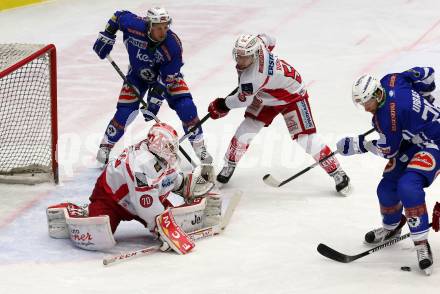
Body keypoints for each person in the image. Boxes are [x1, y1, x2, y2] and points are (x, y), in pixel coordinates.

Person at [207, 34, 350, 195]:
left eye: (245, 57)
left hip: (292, 95)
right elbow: (271, 39)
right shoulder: (259, 44)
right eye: (238, 55)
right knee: (245, 131)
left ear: (254, 54)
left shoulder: (252, 78)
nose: (240, 60)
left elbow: (242, 101)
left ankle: (337, 172)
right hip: (266, 94)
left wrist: (222, 105)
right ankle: (229, 165)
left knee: (306, 139)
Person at [46, 122, 220, 255]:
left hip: (142, 201)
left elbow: (169, 180)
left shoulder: (161, 156)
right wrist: (161, 228)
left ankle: (169, 219)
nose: (173, 150)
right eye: (169, 146)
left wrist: (188, 186)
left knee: (176, 219)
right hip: (112, 199)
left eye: (173, 146)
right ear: (159, 145)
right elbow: (146, 204)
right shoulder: (140, 163)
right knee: (97, 237)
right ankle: (77, 211)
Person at [336, 67, 440, 275]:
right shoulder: (391, 80)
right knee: (386, 189)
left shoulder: (387, 118)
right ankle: (392, 227)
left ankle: (421, 244)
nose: (366, 108)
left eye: (367, 103)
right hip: (412, 141)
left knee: (408, 186)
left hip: (435, 143)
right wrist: (426, 97)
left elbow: (387, 150)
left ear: (376, 94)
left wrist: (359, 144)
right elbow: (427, 73)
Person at [92, 7, 212, 165]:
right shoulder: (133, 25)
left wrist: (154, 101)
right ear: (149, 26)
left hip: (165, 78)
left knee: (186, 106)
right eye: (158, 28)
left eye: (165, 27)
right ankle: (106, 145)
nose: (163, 32)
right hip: (138, 75)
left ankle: (200, 148)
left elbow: (166, 79)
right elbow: (118, 16)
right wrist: (107, 35)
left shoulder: (173, 46)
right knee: (125, 111)